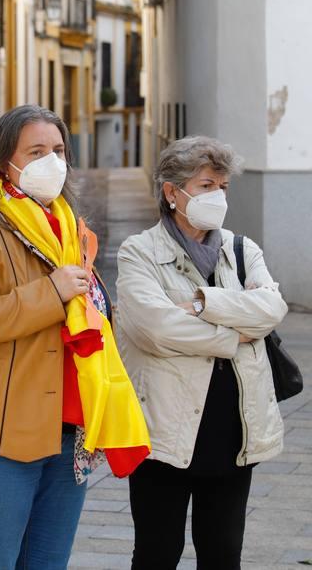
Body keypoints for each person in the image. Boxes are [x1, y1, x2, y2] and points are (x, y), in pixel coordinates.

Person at [0, 104, 114, 569]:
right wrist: (49, 294)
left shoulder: (71, 228)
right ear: (2, 162)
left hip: (69, 426)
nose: (51, 161)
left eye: (58, 150)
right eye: (35, 151)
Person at [116, 135, 288, 570]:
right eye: (207, 185)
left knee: (223, 553)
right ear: (172, 192)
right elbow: (154, 328)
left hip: (234, 432)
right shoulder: (140, 252)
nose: (218, 196)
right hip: (165, 433)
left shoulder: (242, 250)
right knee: (157, 553)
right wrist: (234, 336)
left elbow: (271, 310)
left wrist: (201, 303)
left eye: (223, 186)